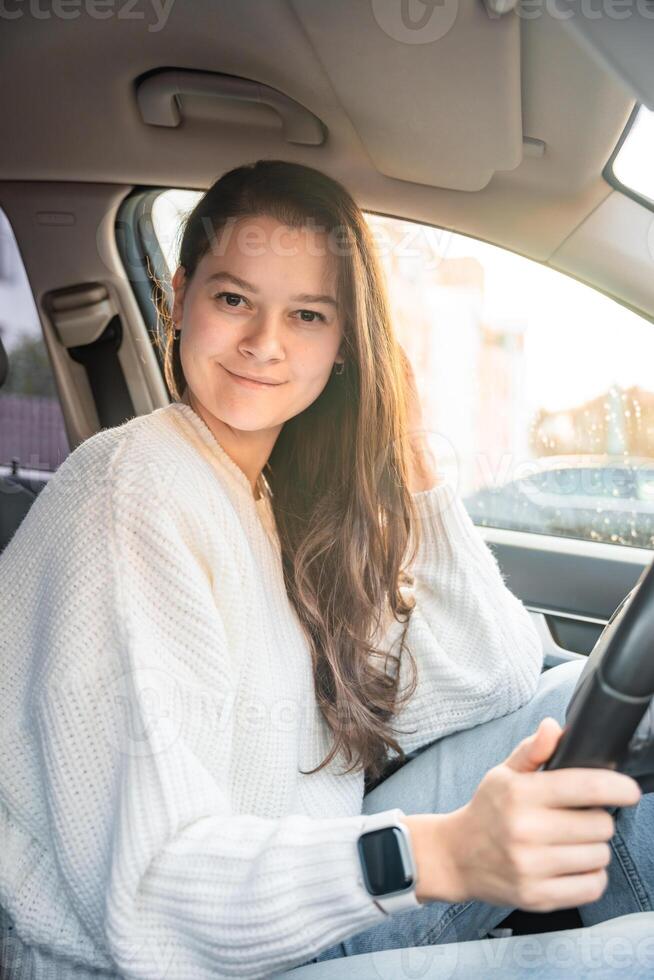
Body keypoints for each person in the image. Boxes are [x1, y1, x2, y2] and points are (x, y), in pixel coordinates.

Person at [0, 159, 651, 980]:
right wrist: (441, 853)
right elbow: (152, 895)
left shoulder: (267, 501)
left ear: (346, 345)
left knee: (583, 711)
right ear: (179, 296)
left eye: (307, 315)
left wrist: (410, 452)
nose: (265, 344)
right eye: (233, 298)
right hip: (155, 956)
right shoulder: (133, 491)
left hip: (292, 891)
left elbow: (498, 677)